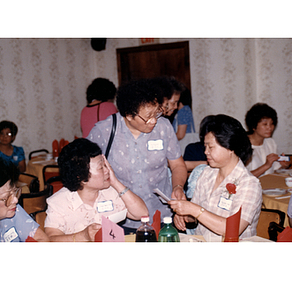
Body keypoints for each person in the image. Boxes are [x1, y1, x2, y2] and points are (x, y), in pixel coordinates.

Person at [87, 78, 187, 234]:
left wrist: (178, 187)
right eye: (148, 117)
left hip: (160, 215)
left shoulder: (163, 127)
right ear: (128, 115)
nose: (154, 120)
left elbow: (177, 165)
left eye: (157, 113)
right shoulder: (104, 131)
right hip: (119, 217)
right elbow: (87, 172)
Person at [169, 114, 262, 242]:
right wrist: (184, 213)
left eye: (211, 147)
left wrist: (194, 210)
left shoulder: (249, 183)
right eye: (205, 146)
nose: (206, 151)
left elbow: (233, 230)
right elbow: (195, 217)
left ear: (230, 147)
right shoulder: (207, 174)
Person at [44, 138, 148, 241]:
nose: (108, 170)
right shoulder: (59, 202)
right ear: (81, 177)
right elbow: (51, 239)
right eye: (101, 167)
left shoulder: (110, 192)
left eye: (105, 165)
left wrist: (116, 182)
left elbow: (141, 214)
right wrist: (83, 236)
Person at [0, 158, 48, 242]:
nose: (15, 200)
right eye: (7, 197)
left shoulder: (14, 210)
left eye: (14, 192)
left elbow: (42, 239)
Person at [245, 102, 291, 177]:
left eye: (272, 124)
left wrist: (284, 165)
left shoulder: (270, 142)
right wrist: (266, 165)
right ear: (253, 126)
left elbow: (275, 170)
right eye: (265, 124)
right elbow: (241, 178)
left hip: (270, 186)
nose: (270, 128)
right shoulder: (243, 145)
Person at [172, 87, 199, 154]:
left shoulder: (183, 111)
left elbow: (180, 135)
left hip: (183, 145)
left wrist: (167, 138)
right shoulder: (186, 109)